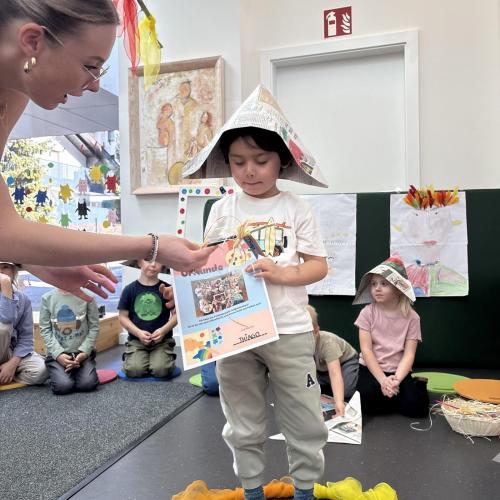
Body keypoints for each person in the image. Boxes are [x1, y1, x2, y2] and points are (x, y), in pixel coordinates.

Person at [0, 0, 214, 302]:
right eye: (90, 66)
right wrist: (152, 246)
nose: (95, 86)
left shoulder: (14, 87)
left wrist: (38, 261)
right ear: (33, 41)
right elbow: (5, 231)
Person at [182, 85, 330, 500]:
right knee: (241, 418)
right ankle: (251, 490)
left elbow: (319, 266)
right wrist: (187, 283)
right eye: (238, 162)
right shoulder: (222, 209)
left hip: (289, 329)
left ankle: (305, 490)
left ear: (282, 160)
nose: (249, 171)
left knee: (304, 415)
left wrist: (281, 274)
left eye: (261, 160)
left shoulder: (295, 208)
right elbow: (209, 265)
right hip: (234, 331)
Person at [353, 256, 429, 417]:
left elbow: (409, 354)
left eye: (384, 284)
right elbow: (366, 351)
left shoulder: (412, 317)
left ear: (398, 288)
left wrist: (396, 381)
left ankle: (417, 385)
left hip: (398, 370)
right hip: (372, 368)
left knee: (417, 409)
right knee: (365, 404)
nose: (377, 288)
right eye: (374, 284)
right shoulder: (367, 313)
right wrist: (382, 380)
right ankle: (392, 396)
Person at [118, 259, 177, 378]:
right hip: (136, 341)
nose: (153, 264)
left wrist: (163, 330)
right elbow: (122, 317)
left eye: (158, 260)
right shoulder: (129, 290)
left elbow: (176, 315)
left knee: (161, 370)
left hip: (162, 342)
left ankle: (162, 359)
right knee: (135, 370)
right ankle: (135, 358)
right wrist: (138, 333)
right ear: (139, 262)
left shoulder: (167, 289)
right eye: (148, 260)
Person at [39, 287, 100, 394]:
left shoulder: (88, 296)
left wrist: (85, 352)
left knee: (88, 384)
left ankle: (75, 370)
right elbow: (45, 330)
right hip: (58, 356)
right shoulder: (47, 298)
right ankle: (61, 371)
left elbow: (94, 327)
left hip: (82, 354)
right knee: (63, 386)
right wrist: (58, 355)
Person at [0, 261, 48, 385]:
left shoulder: (23, 299)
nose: (1, 272)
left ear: (14, 271)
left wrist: (12, 363)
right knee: (3, 329)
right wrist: (5, 285)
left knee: (42, 370)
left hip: (11, 352)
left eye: (5, 267)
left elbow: (26, 337)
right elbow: (6, 320)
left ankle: (8, 371)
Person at [308, 304, 359, 417]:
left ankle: (355, 374)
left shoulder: (328, 343)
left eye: (308, 336)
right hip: (321, 368)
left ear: (316, 331)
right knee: (312, 386)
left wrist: (339, 402)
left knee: (346, 390)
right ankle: (329, 385)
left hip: (345, 362)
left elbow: (335, 374)